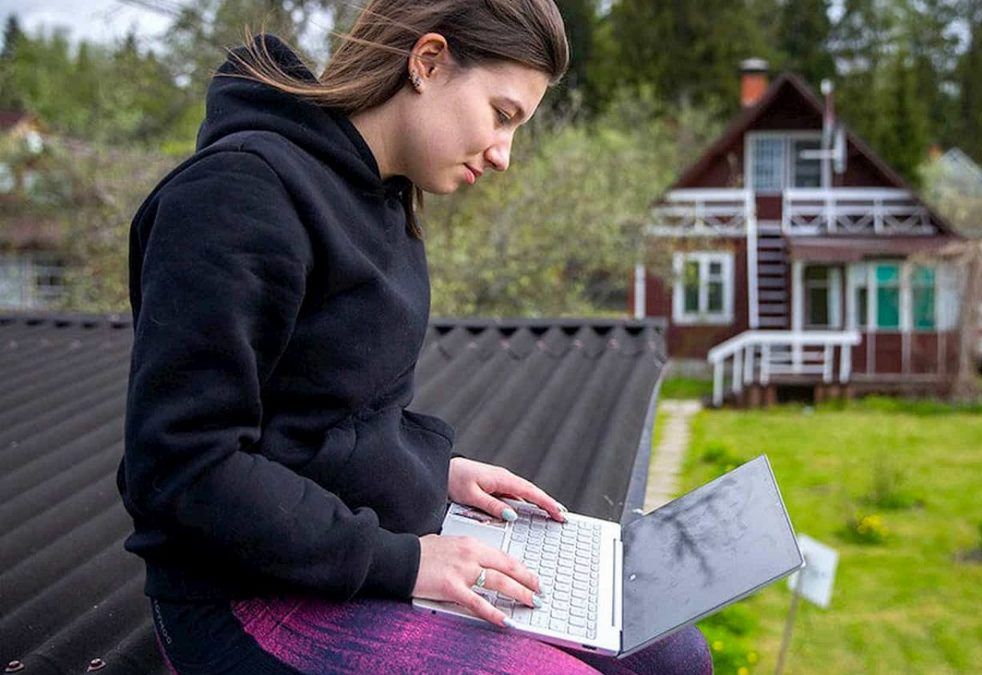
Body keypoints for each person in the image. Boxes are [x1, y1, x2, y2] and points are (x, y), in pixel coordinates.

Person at [117, 1, 712, 673]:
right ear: (427, 62)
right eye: (502, 115)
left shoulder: (383, 198)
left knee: (672, 651)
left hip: (345, 551)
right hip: (240, 597)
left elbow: (328, 416)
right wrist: (409, 560)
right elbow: (183, 468)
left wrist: (438, 473)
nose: (503, 155)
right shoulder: (237, 197)